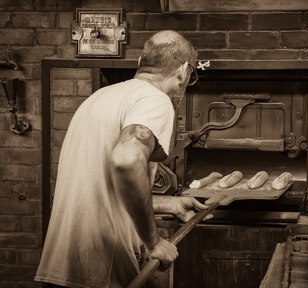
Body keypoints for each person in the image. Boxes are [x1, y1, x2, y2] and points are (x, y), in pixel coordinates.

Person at [35, 30, 208, 288]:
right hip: (101, 270)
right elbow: (127, 161)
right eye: (189, 77)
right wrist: (154, 243)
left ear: (140, 62)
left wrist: (167, 204)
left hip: (60, 268)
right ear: (183, 71)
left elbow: (98, 189)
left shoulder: (100, 98)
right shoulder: (154, 99)